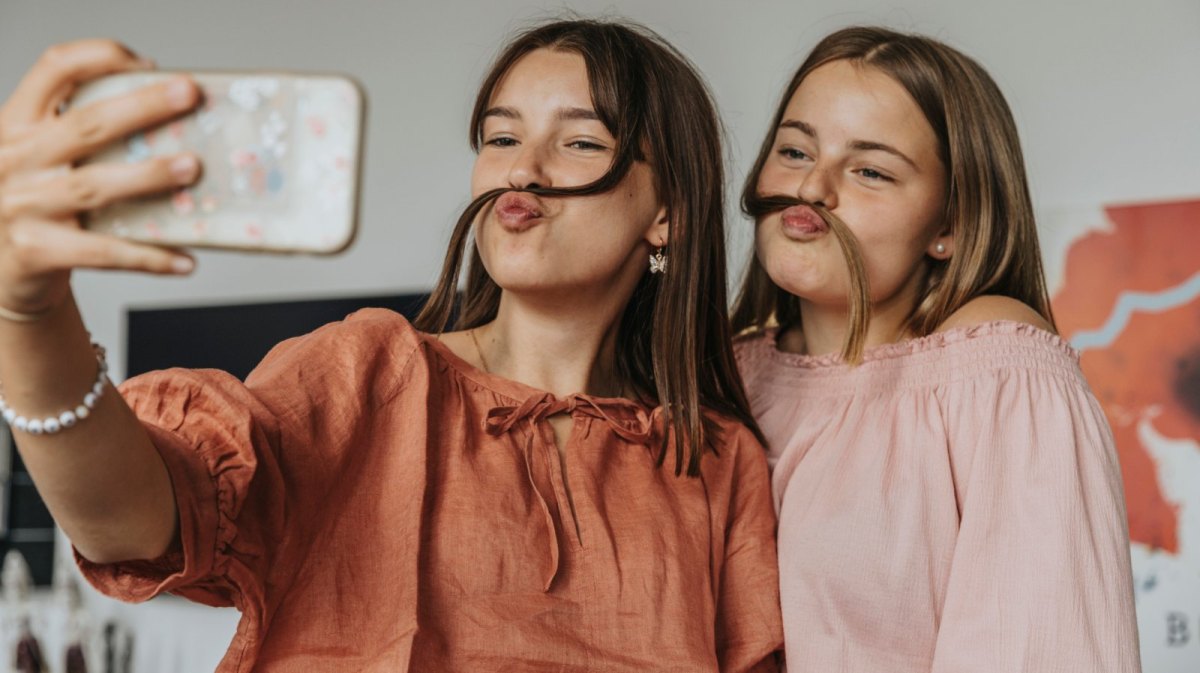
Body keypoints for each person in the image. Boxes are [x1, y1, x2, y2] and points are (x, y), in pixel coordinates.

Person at [0, 20, 783, 672]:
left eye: (579, 143)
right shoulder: (375, 373)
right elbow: (130, 525)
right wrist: (25, 311)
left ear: (667, 215)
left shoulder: (715, 461)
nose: (523, 168)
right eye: (501, 135)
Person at [731, 26, 1141, 672]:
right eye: (795, 150)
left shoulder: (996, 375)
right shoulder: (717, 381)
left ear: (948, 225)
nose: (814, 188)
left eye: (869, 170)